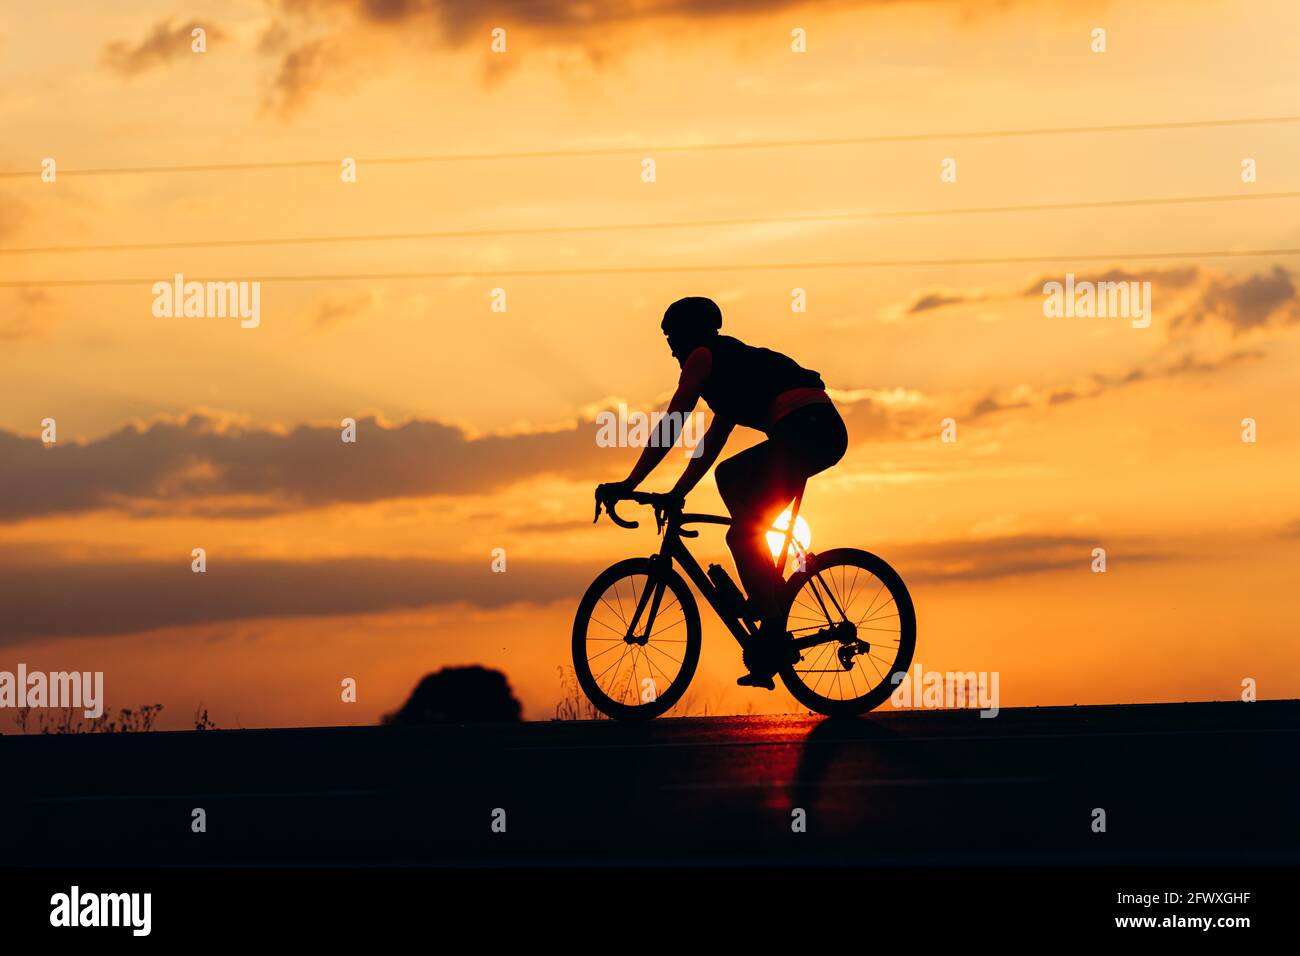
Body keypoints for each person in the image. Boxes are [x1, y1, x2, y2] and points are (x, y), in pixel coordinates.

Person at [596, 296, 848, 689]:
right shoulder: (731, 372)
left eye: (672, 336)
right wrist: (676, 492)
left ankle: (771, 618)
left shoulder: (703, 356)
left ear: (692, 333)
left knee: (739, 533)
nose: (671, 348)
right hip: (814, 431)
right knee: (729, 475)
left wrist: (631, 484)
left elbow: (672, 422)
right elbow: (709, 447)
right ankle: (767, 593)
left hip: (809, 428)